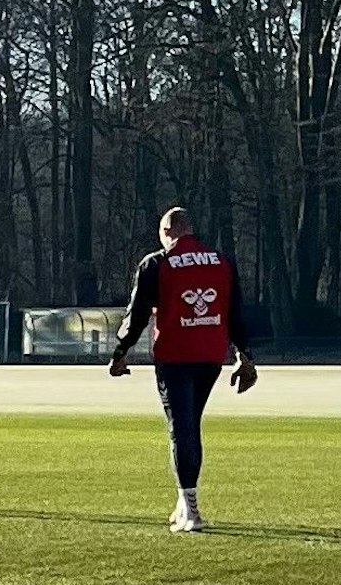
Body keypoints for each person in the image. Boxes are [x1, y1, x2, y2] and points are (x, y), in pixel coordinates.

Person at [108, 206, 258, 532]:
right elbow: (235, 312)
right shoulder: (222, 262)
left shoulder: (157, 264)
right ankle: (182, 504)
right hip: (210, 356)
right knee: (191, 424)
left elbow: (137, 315)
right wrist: (244, 354)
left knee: (182, 428)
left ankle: (191, 508)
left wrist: (121, 351)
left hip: (175, 356)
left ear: (166, 232)